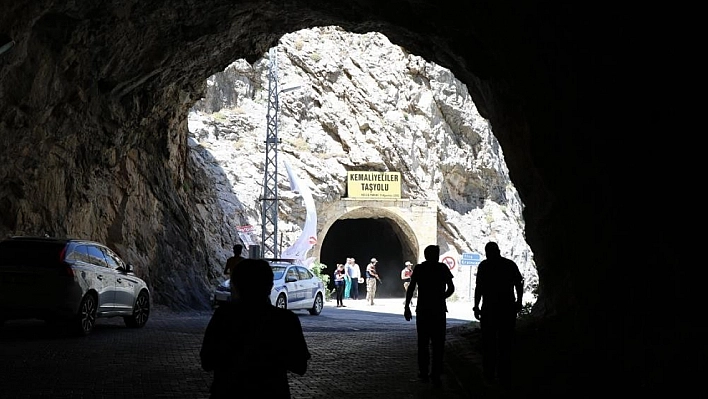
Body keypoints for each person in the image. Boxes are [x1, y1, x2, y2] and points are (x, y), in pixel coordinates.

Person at [201, 258, 311, 398]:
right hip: (272, 391)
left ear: (235, 285)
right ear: (270, 285)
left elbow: (207, 362)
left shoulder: (223, 316)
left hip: (228, 391)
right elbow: (300, 366)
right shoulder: (286, 320)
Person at [473, 241, 523, 386]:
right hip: (506, 309)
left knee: (489, 342)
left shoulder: (484, 266)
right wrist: (519, 301)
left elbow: (479, 288)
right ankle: (504, 374)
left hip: (490, 309)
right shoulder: (509, 265)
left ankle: (489, 374)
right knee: (505, 342)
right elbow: (518, 284)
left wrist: (476, 306)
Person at [404, 245, 455, 387]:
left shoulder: (420, 269)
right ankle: (436, 373)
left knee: (423, 342)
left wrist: (407, 306)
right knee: (438, 343)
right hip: (438, 310)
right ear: (436, 255)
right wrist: (441, 297)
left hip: (423, 310)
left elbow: (411, 287)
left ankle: (424, 372)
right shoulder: (442, 268)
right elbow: (451, 288)